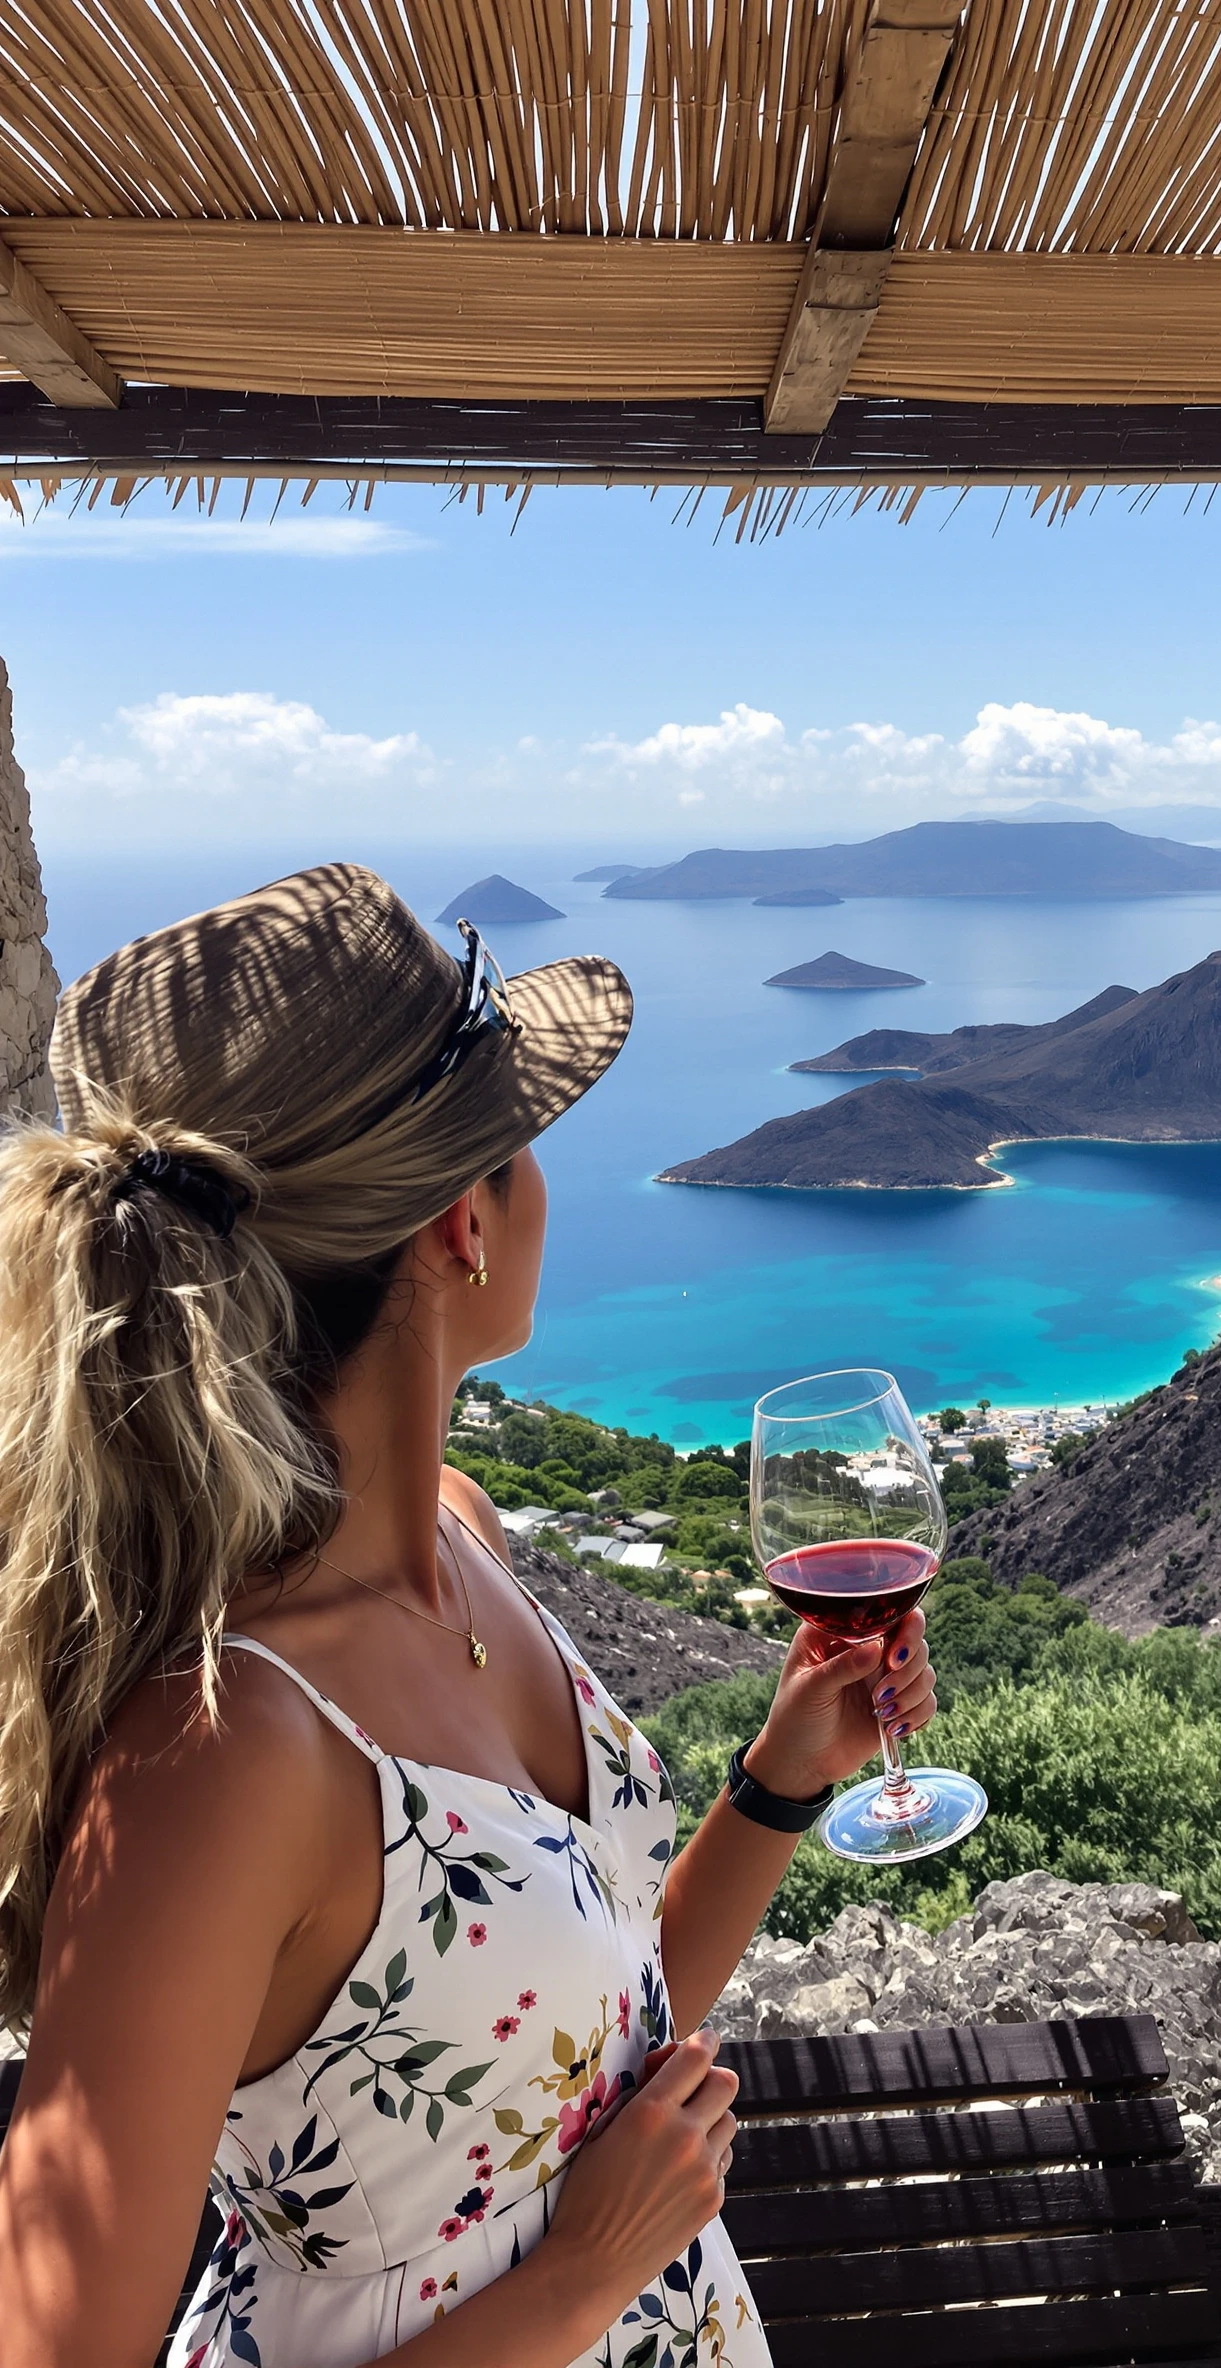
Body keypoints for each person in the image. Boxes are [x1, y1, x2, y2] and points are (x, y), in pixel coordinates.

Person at [0, 865, 939, 2368]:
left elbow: (571, 2042)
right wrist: (580, 2282)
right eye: (525, 1142)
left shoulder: (462, 1536)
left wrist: (780, 1782)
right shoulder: (219, 1753)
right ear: (460, 1224)